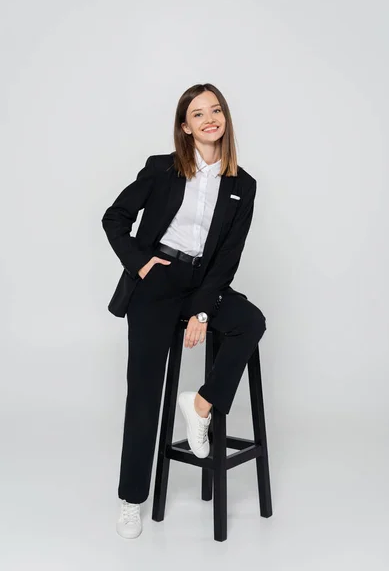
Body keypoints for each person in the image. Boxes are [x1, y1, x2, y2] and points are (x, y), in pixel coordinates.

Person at [101, 83, 267, 539]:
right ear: (185, 126)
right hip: (157, 283)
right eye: (198, 114)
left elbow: (227, 258)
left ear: (225, 119)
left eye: (216, 110)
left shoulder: (242, 185)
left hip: (204, 283)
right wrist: (140, 263)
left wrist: (202, 312)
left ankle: (200, 405)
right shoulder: (162, 169)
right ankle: (132, 500)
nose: (209, 118)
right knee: (144, 392)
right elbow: (114, 217)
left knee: (250, 322)